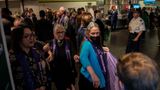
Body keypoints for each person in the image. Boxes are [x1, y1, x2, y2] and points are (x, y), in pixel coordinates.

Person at [9, 25, 47, 90]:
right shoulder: (12, 57)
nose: (31, 38)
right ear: (19, 38)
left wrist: (43, 85)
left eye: (32, 35)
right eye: (26, 36)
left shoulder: (36, 52)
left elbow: (44, 72)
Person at [43, 24, 78, 90]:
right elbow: (45, 56)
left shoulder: (69, 42)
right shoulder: (50, 43)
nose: (61, 34)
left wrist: (75, 56)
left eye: (62, 32)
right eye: (58, 32)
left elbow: (73, 52)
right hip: (57, 74)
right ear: (54, 33)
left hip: (68, 73)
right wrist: (46, 52)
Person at [79, 22, 110, 90]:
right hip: (89, 79)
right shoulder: (87, 43)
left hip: (96, 77)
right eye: (93, 33)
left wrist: (102, 49)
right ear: (88, 33)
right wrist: (93, 75)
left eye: (97, 33)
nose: (95, 35)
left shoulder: (96, 42)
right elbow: (83, 58)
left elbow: (94, 49)